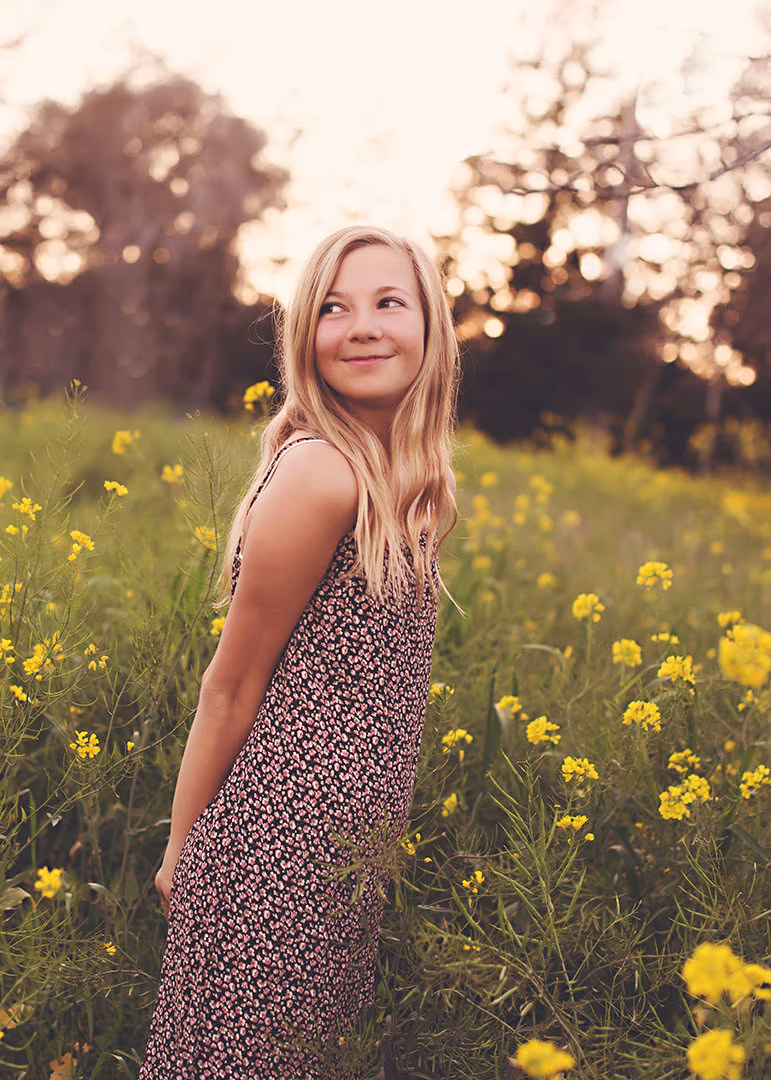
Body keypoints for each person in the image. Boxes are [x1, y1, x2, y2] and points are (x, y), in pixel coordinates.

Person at [138, 224, 462, 1079]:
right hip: (271, 862)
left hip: (336, 870)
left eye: (388, 302)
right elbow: (232, 685)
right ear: (304, 342)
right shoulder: (324, 474)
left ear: (429, 327)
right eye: (332, 308)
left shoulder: (403, 481)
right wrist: (183, 853)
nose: (361, 326)